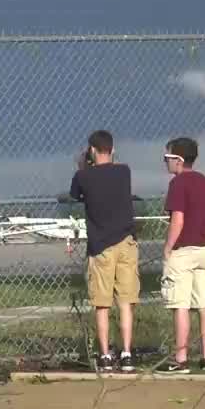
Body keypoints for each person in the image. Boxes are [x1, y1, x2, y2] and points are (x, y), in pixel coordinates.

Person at [69, 130, 139, 373]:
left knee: (102, 303)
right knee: (126, 300)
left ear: (91, 150)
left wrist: (82, 165)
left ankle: (105, 355)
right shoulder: (124, 171)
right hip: (126, 243)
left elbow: (75, 194)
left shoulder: (83, 176)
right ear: (112, 149)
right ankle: (127, 353)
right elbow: (113, 168)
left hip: (101, 246)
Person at [157, 137, 205, 374]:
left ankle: (181, 358)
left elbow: (178, 220)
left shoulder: (178, 184)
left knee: (181, 305)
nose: (165, 163)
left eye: (167, 158)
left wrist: (168, 248)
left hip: (183, 251)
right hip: (204, 251)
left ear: (178, 160)